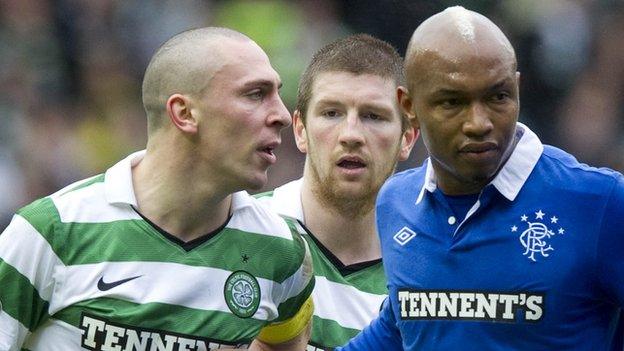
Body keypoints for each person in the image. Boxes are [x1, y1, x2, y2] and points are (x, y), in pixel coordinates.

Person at [0, 27, 315, 350]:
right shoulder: (50, 232)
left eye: (277, 94)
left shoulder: (281, 251)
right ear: (184, 113)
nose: (280, 115)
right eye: (255, 94)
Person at [338, 6, 624, 350]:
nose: (479, 123)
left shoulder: (599, 203)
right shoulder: (396, 202)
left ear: (517, 88)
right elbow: (400, 329)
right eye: (452, 102)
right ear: (408, 106)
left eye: (497, 97)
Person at [257, 34, 416, 350]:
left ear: (407, 137)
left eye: (374, 116)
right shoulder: (246, 233)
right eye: (332, 113)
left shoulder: (427, 271)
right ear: (300, 130)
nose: (352, 135)